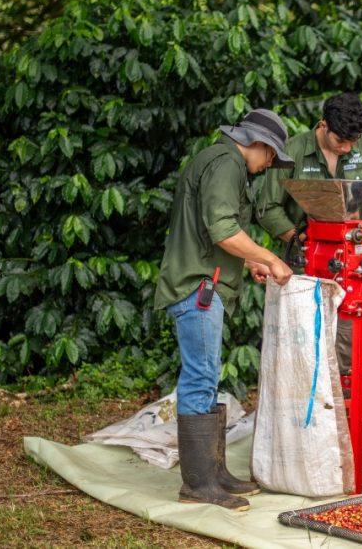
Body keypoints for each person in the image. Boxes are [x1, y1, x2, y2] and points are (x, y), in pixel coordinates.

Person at [155, 108, 295, 510]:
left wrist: (249, 261)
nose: (268, 164)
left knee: (208, 375)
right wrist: (270, 258)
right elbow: (222, 228)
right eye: (270, 155)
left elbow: (216, 233)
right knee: (200, 377)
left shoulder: (219, 160)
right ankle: (197, 484)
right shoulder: (226, 162)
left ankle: (213, 474)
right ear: (257, 144)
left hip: (206, 281)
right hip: (198, 286)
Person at [255, 92, 362, 380]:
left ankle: (347, 413)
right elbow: (267, 207)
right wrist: (299, 239)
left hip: (357, 269)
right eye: (340, 141)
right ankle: (308, 419)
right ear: (323, 126)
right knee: (304, 347)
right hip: (306, 267)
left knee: (350, 350)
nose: (346, 148)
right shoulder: (292, 151)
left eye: (352, 141)